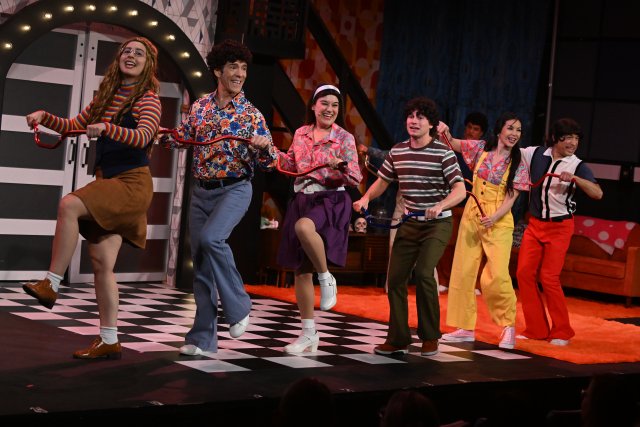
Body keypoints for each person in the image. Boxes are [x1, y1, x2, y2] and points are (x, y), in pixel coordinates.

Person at [22, 37, 162, 359]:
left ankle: (51, 283)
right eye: (127, 51)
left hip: (131, 184)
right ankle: (109, 339)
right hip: (109, 181)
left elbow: (144, 136)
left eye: (139, 54)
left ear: (148, 64)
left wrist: (108, 128)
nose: (131, 56)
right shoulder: (106, 96)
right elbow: (74, 126)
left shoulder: (148, 99)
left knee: (69, 204)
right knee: (101, 263)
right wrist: (44, 116)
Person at [162, 39, 278, 356]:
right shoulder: (200, 106)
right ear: (217, 71)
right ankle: (203, 339)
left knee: (213, 239)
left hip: (235, 188)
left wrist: (264, 148)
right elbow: (182, 138)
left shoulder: (251, 115)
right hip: (202, 191)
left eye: (243, 68)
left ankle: (239, 305)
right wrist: (155, 135)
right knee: (201, 262)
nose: (240, 73)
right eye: (233, 67)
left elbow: (271, 162)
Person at [353, 97, 466, 356]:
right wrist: (366, 197)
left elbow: (460, 190)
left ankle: (430, 336)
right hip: (409, 221)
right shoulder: (398, 151)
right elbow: (383, 181)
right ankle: (398, 338)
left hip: (437, 223)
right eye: (410, 116)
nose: (414, 121)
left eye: (420, 117)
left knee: (425, 273)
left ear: (431, 124)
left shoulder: (443, 153)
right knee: (395, 279)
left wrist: (441, 204)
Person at [276, 84, 362, 354]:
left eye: (335, 105)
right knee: (301, 270)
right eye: (324, 103)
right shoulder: (301, 133)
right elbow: (291, 165)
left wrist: (341, 165)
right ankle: (309, 333)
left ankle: (326, 278)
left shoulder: (344, 138)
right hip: (303, 198)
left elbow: (355, 176)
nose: (329, 109)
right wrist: (270, 152)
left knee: (304, 227)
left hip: (330, 200)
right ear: (313, 106)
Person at [438, 112, 529, 349]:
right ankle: (464, 327)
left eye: (518, 130)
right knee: (463, 270)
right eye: (510, 128)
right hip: (472, 213)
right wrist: (445, 131)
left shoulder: (518, 162)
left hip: (498, 219)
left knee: (497, 274)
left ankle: (508, 326)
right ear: (499, 130)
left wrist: (494, 217)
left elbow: (512, 198)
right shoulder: (480, 149)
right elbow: (454, 143)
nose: (514, 134)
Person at [517, 118, 602, 345]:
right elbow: (509, 152)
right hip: (535, 225)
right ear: (555, 138)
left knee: (549, 277)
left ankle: (562, 331)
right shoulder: (536, 154)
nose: (573, 143)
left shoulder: (577, 165)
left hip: (560, 227)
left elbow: (597, 193)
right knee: (524, 273)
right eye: (568, 138)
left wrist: (575, 179)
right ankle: (536, 329)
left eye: (576, 138)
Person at [357, 143, 444, 293]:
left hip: (425, 208)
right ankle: (392, 288)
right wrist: (368, 150)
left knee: (425, 252)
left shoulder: (437, 153)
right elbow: (387, 157)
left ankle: (431, 289)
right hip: (402, 205)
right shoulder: (402, 150)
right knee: (394, 246)